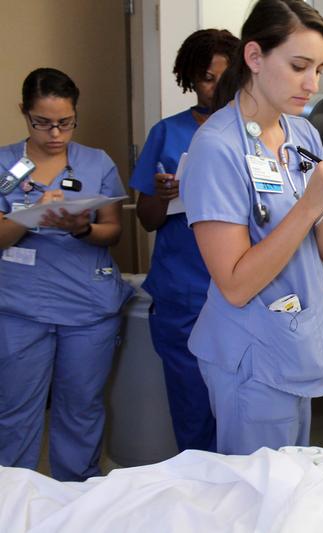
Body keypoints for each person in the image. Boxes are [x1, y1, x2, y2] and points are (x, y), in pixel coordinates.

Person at [180, 0, 323, 455]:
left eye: (319, 68)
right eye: (299, 66)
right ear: (254, 58)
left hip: (296, 340)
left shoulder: (304, 135)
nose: (312, 84)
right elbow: (235, 285)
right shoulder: (216, 147)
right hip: (250, 354)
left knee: (287, 484)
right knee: (255, 498)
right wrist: (307, 205)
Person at [0, 68, 132, 481]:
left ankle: (76, 497)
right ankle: (13, 501)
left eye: (65, 122)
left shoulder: (97, 162)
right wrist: (29, 215)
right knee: (16, 409)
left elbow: (113, 229)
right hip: (20, 309)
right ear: (24, 113)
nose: (55, 133)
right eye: (43, 122)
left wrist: (81, 227)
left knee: (81, 407)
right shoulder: (4, 163)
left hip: (87, 307)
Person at [129, 29, 239, 453]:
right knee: (193, 408)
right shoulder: (167, 133)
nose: (215, 88)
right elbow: (147, 220)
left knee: (241, 411)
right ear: (191, 79)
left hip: (241, 291)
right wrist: (162, 194)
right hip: (184, 292)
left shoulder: (256, 134)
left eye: (224, 77)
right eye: (206, 78)